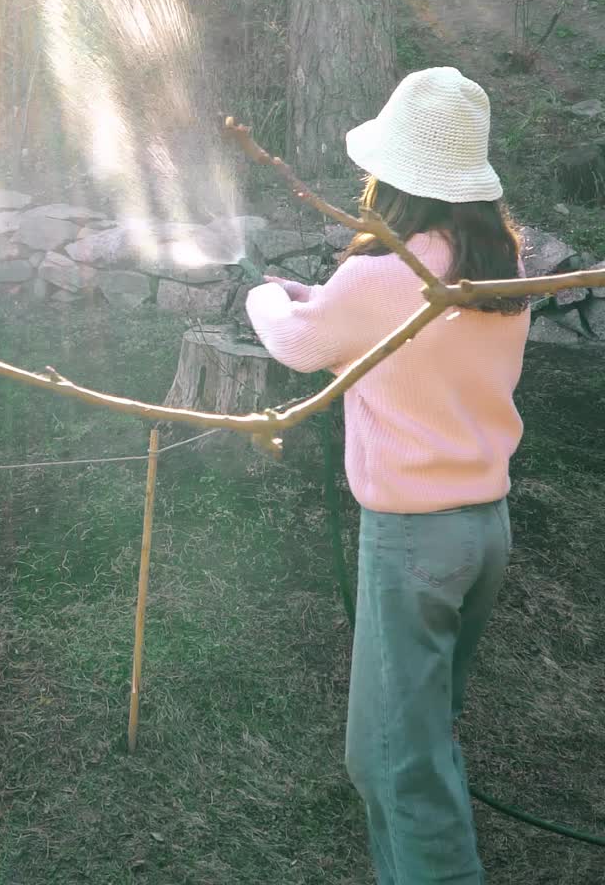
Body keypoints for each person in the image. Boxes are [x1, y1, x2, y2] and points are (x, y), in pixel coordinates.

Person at [246, 66, 530, 885]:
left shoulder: (380, 279)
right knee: (406, 747)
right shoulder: (501, 264)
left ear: (395, 178)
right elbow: (377, 330)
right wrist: (322, 300)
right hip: (483, 531)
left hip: (413, 544)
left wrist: (269, 298)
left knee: (401, 769)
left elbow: (299, 343)